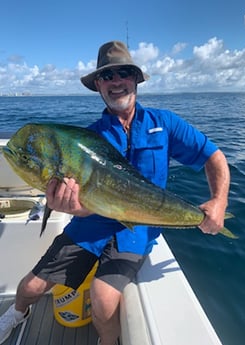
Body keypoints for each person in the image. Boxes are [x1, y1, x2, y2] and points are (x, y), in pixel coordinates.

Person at [0, 41, 230, 345]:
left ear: (135, 79)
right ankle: (17, 313)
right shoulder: (89, 138)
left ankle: (107, 342)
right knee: (28, 287)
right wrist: (71, 207)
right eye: (107, 76)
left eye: (124, 73)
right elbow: (85, 205)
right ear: (98, 85)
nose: (116, 81)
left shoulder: (165, 124)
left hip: (136, 228)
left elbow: (214, 157)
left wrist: (218, 201)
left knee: (103, 300)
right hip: (90, 225)